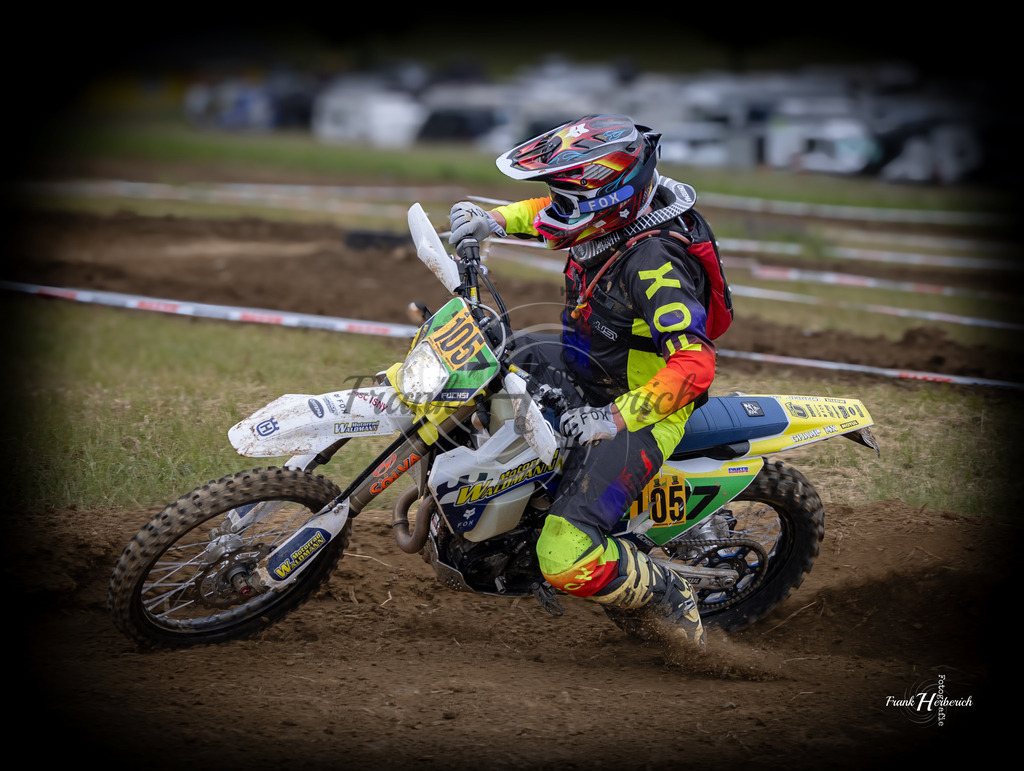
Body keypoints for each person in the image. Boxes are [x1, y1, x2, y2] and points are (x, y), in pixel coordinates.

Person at [447, 115, 732, 654]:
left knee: (564, 556)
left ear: (609, 196)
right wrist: (492, 220)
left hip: (642, 409)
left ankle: (669, 591)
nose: (557, 205)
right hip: (590, 366)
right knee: (487, 365)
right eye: (557, 193)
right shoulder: (610, 216)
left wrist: (615, 418)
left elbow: (694, 367)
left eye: (568, 195)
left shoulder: (655, 264)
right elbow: (555, 214)